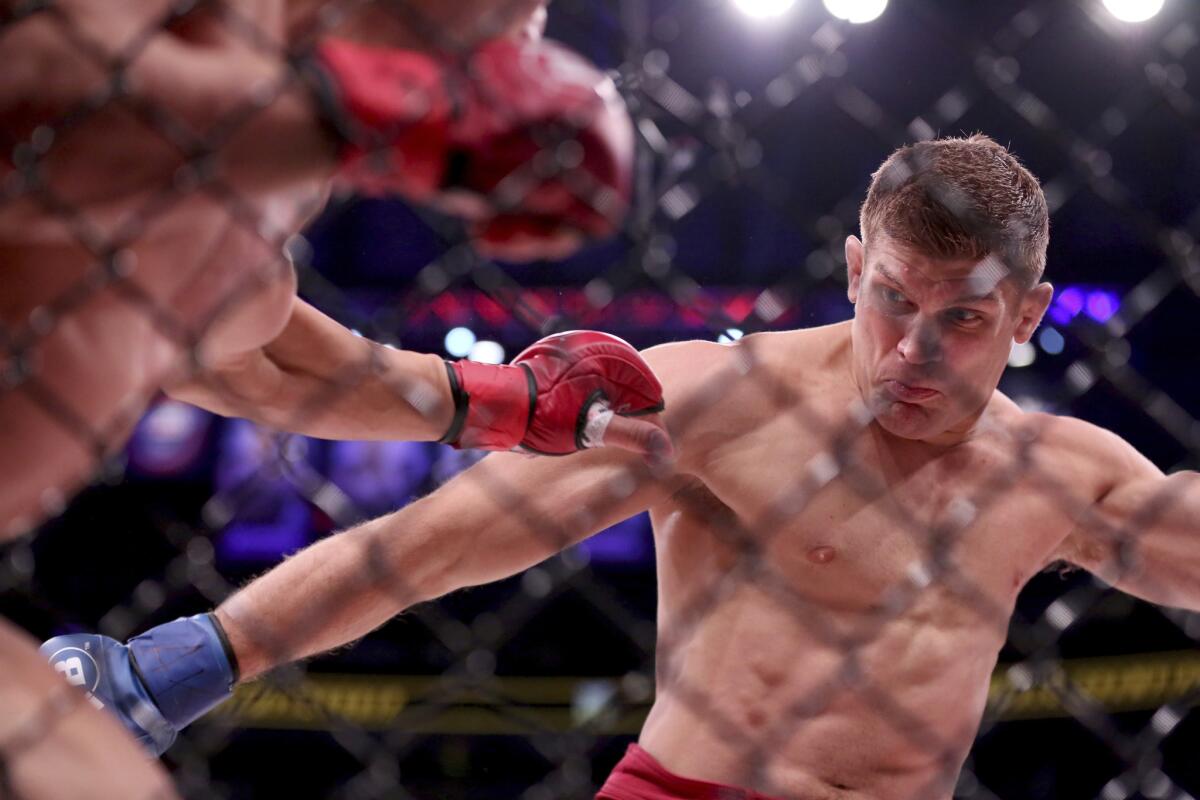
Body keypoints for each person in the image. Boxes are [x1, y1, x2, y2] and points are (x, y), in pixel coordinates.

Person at [43, 134, 1200, 799]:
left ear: (1031, 314)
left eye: (961, 320)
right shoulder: (718, 401)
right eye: (892, 298)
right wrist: (191, 659)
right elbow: (440, 543)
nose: (909, 347)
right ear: (854, 268)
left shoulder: (1061, 470)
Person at [0, 2, 671, 797]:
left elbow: (243, 349)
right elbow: (31, 98)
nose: (528, 26)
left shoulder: (270, 142)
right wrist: (372, 113)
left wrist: (502, 402)